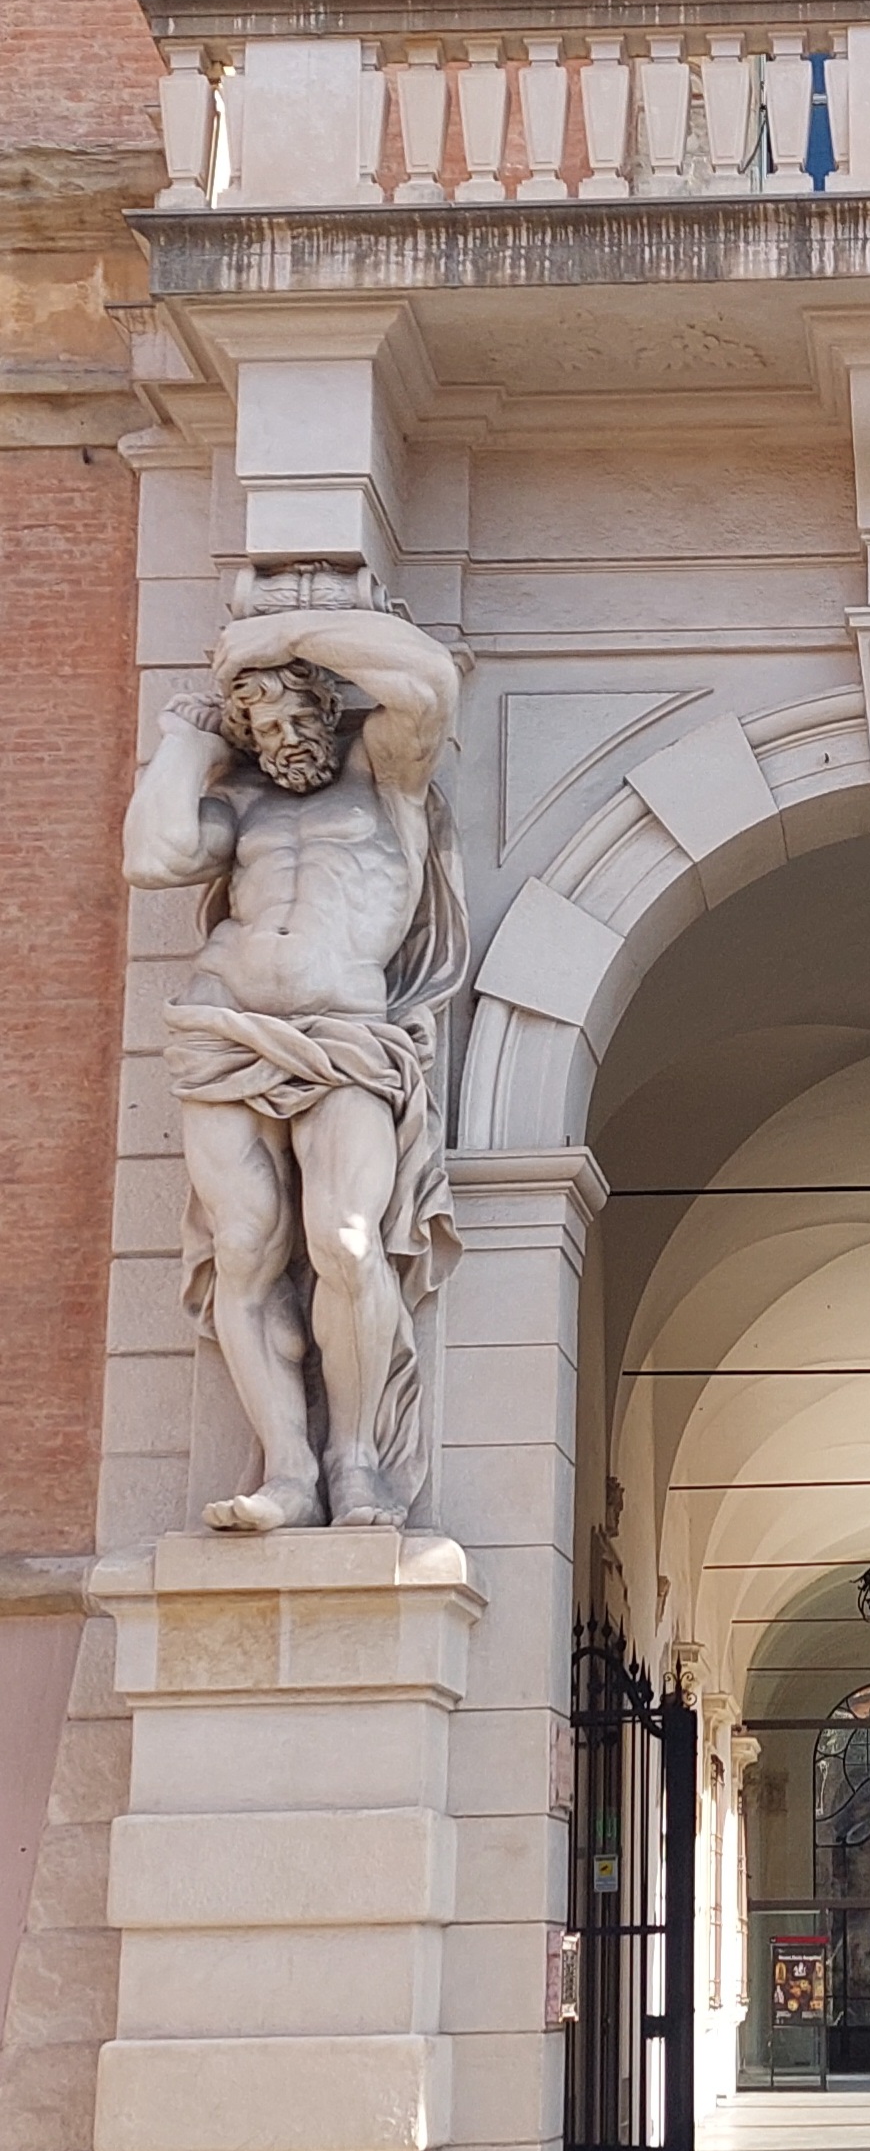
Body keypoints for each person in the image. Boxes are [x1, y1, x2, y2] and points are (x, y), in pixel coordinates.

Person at [123, 604, 467, 1530]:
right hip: (225, 1028)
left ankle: (355, 1462)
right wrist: (187, 740)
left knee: (348, 1244)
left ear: (327, 704)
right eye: (262, 726)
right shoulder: (241, 806)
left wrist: (287, 636)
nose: (283, 736)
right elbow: (153, 856)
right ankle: (287, 1471)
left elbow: (427, 682)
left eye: (295, 715)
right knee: (244, 1251)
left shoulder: (385, 780)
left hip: (346, 1039)